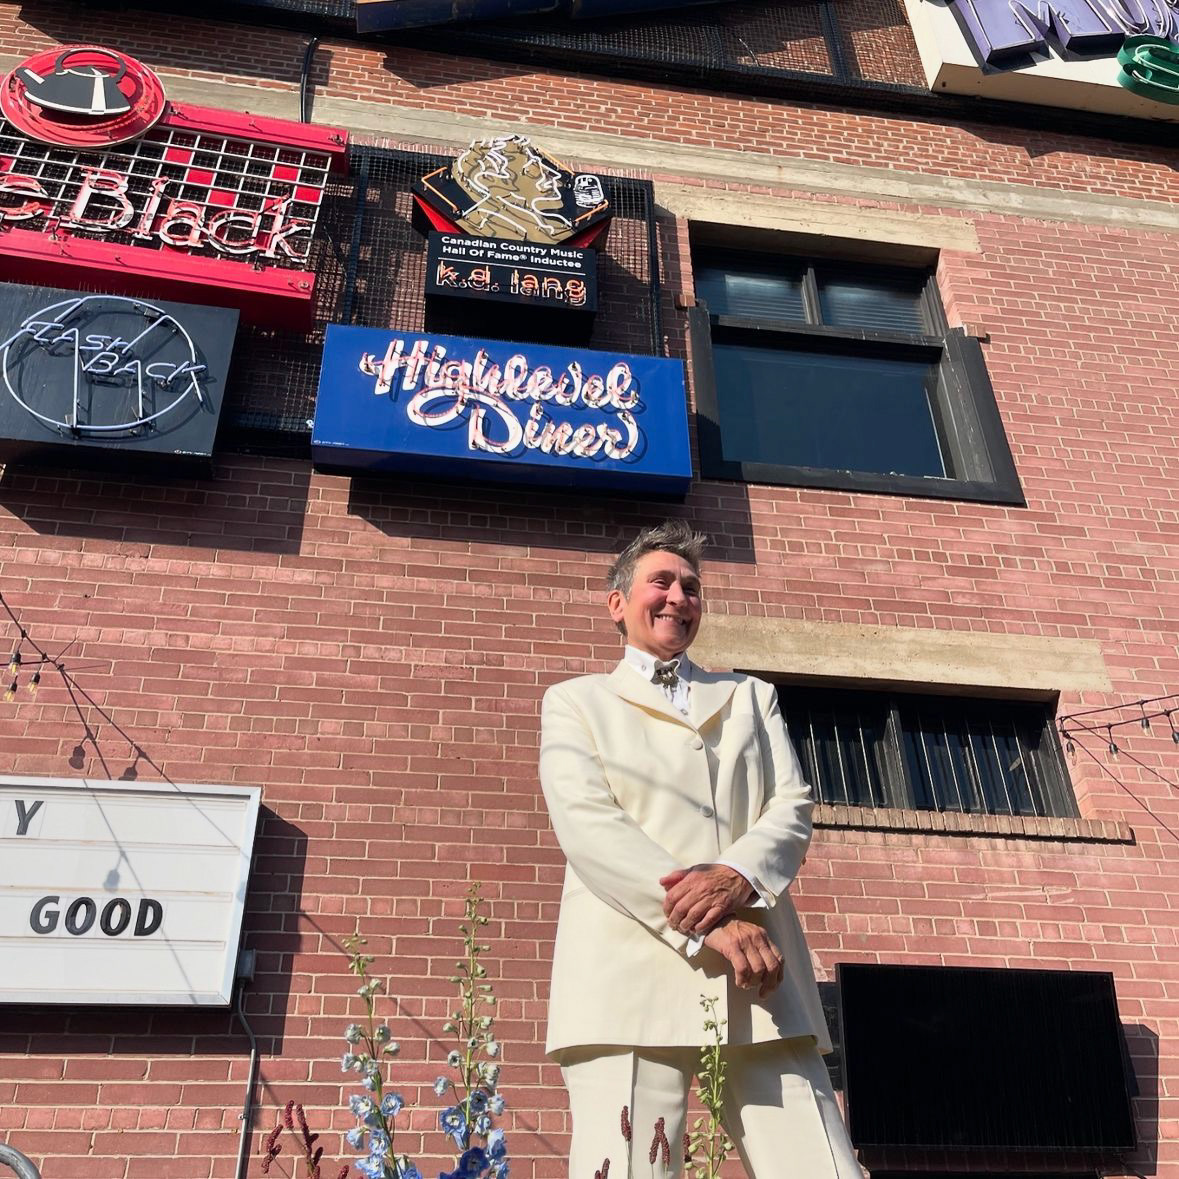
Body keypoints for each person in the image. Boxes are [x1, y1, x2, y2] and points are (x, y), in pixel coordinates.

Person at [538, 520, 861, 1179]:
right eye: (660, 581)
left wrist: (735, 874)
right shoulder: (576, 702)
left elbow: (791, 804)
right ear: (617, 602)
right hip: (624, 981)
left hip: (759, 980)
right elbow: (588, 825)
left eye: (691, 587)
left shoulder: (749, 695)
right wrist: (709, 915)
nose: (678, 596)